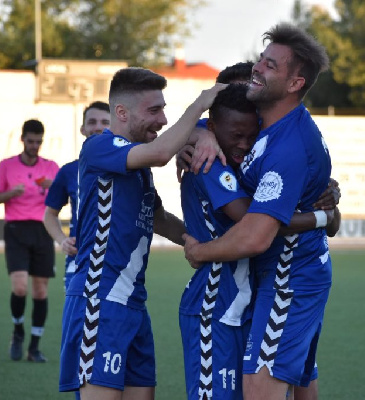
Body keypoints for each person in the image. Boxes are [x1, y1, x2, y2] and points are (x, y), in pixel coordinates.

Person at [183, 23, 333, 400]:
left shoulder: (288, 145)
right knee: (299, 387)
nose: (258, 69)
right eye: (260, 61)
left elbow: (255, 235)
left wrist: (199, 252)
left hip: (288, 279)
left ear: (295, 84)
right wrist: (199, 130)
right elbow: (224, 119)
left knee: (260, 388)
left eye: (270, 65)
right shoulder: (268, 126)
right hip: (278, 279)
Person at [58, 67, 226, 400]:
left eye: (164, 109)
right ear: (120, 113)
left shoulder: (137, 166)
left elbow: (159, 217)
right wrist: (200, 108)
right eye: (154, 110)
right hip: (99, 299)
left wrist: (204, 244)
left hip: (133, 304)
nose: (163, 119)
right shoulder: (99, 147)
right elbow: (162, 152)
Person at [0, 119, 60, 363]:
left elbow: (68, 197)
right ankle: (18, 331)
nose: (34, 145)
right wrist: (12, 193)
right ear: (22, 140)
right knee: (20, 287)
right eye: (30, 141)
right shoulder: (7, 166)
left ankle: (34, 347)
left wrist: (56, 188)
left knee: (40, 291)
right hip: (16, 230)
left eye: (38, 142)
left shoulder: (51, 167)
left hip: (43, 229)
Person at [44, 101, 111, 291]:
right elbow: (49, 214)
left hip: (116, 260)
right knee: (77, 318)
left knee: (109, 319)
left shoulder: (128, 165)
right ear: (83, 129)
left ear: (113, 127)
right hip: (78, 259)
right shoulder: (69, 171)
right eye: (92, 122)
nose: (98, 127)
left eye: (105, 122)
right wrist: (62, 240)